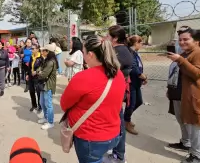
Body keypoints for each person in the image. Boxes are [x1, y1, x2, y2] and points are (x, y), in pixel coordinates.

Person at [60, 35, 126, 163]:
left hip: (91, 137)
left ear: (90, 54)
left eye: (84, 53)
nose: (83, 56)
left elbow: (64, 104)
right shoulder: (118, 74)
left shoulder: (83, 77)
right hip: (114, 133)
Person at [167, 28, 200, 163]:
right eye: (180, 39)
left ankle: (198, 157)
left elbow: (198, 74)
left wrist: (180, 60)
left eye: (186, 39)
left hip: (197, 96)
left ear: (197, 42)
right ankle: (189, 148)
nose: (181, 42)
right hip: (185, 95)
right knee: (188, 124)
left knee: (198, 127)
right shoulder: (187, 54)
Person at [105, 25, 133, 163]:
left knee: (118, 124)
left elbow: (108, 71)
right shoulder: (120, 50)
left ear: (115, 38)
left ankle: (118, 155)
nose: (105, 38)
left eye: (108, 36)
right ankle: (117, 153)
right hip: (116, 92)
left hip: (114, 93)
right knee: (116, 123)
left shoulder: (119, 52)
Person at [124, 35, 147, 135]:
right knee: (131, 103)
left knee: (139, 101)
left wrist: (142, 78)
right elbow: (133, 67)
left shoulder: (134, 53)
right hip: (131, 82)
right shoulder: (130, 53)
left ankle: (126, 118)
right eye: (140, 42)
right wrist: (142, 76)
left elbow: (138, 65)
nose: (141, 44)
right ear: (136, 43)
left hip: (136, 81)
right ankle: (126, 122)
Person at [35, 44, 57, 130]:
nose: (42, 52)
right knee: (42, 103)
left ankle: (50, 122)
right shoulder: (46, 60)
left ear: (48, 52)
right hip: (43, 84)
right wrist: (38, 72)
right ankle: (46, 117)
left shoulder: (51, 62)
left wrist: (38, 73)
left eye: (44, 50)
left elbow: (43, 74)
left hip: (48, 84)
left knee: (48, 104)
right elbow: (38, 69)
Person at [27, 44, 43, 113]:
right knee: (31, 91)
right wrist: (28, 74)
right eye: (31, 49)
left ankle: (40, 106)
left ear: (37, 49)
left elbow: (43, 68)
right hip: (31, 76)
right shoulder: (31, 56)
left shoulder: (41, 57)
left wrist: (36, 72)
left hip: (37, 77)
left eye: (33, 49)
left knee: (38, 92)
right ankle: (34, 105)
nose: (32, 50)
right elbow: (29, 67)